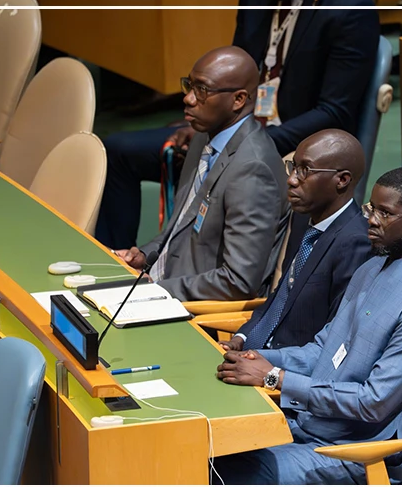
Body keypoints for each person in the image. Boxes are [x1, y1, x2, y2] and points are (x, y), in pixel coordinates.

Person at [212, 167, 402, 487]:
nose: (371, 220)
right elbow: (322, 349)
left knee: (218, 475)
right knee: (205, 446)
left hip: (358, 454)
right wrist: (256, 358)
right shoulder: (374, 265)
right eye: (371, 208)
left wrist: (274, 377)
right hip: (314, 425)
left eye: (385, 213)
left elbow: (373, 402)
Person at [94, 0, 379, 249]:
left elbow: (334, 112)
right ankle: (118, 263)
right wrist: (204, 122)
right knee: (117, 152)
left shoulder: (350, 8)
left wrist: (245, 139)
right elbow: (234, 75)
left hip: (293, 147)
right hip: (233, 125)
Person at [116, 47, 288, 302]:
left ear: (239, 99)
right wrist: (144, 255)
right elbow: (180, 226)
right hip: (163, 283)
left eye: (202, 90)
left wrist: (158, 290)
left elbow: (238, 282)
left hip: (195, 310)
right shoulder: (203, 138)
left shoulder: (253, 170)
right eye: (189, 85)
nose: (188, 98)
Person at [219, 129, 371, 352]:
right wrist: (242, 337)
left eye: (305, 171)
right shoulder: (303, 220)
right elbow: (281, 297)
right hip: (253, 352)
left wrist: (268, 365)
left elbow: (334, 337)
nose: (291, 180)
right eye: (293, 167)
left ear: (342, 180)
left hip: (286, 365)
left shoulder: (356, 243)